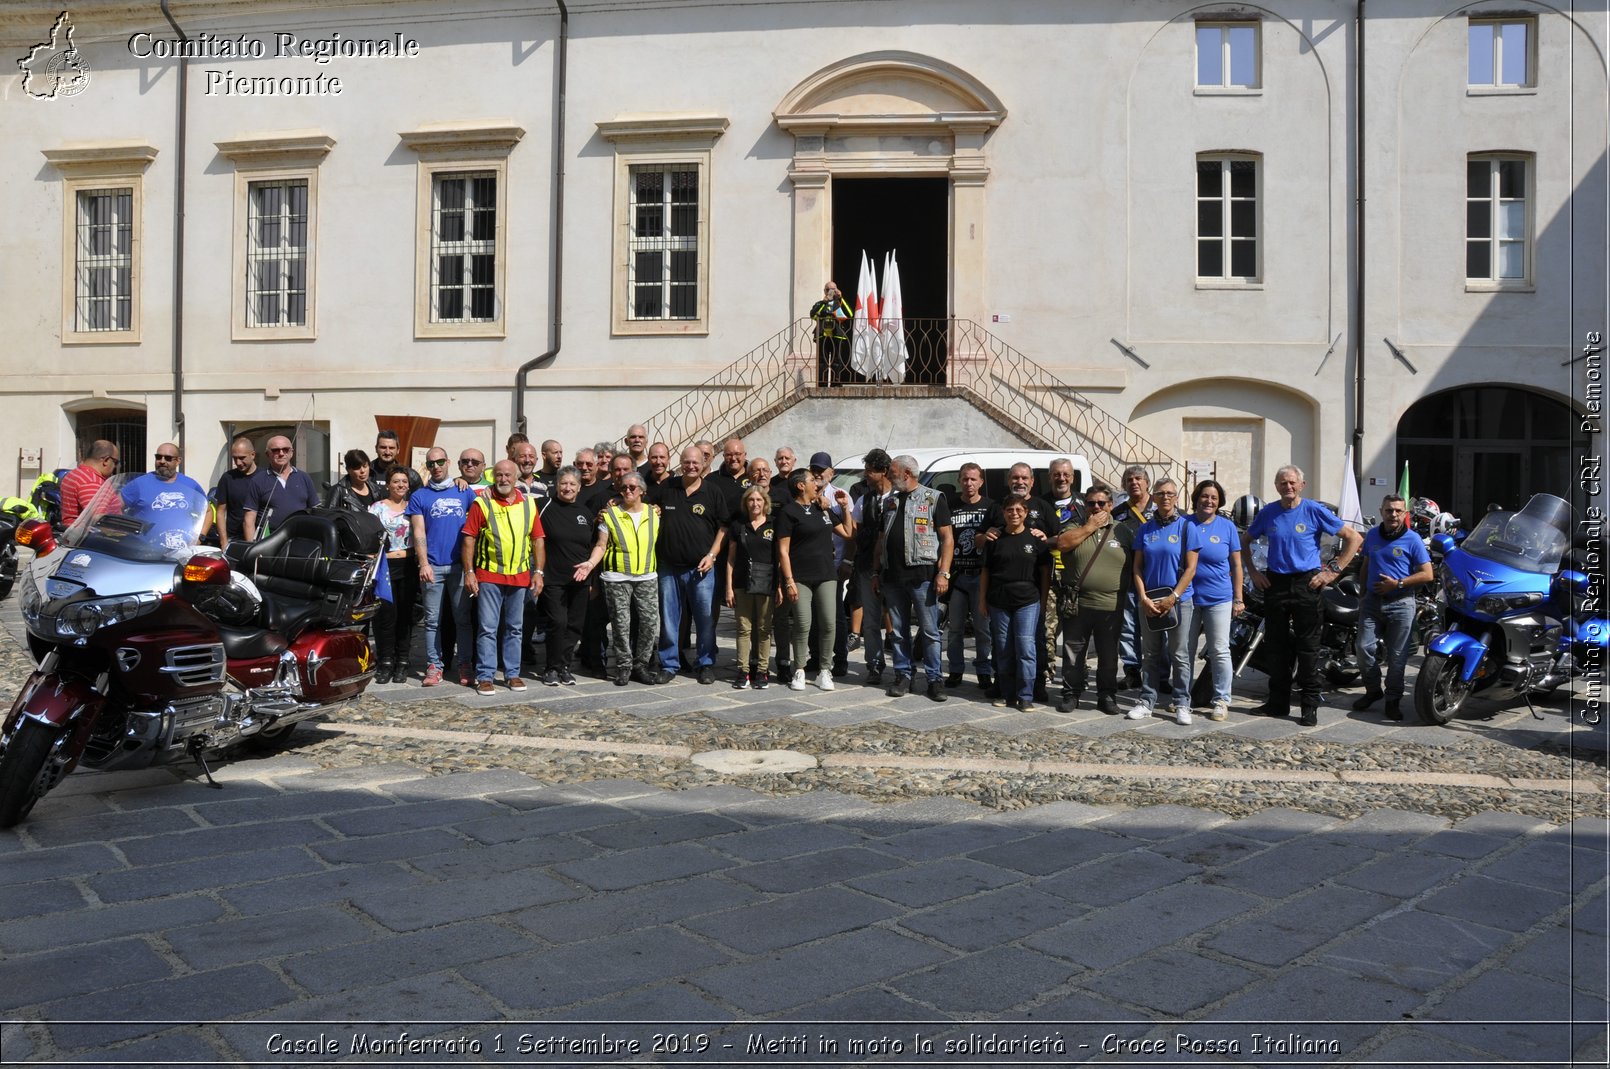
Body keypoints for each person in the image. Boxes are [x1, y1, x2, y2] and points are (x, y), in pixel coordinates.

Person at [1242, 464, 1364, 725]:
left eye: (1292, 483)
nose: (1288, 487)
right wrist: (1252, 571)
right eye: (1283, 483)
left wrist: (1332, 572)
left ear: (1301, 485)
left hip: (1306, 584)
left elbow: (1354, 538)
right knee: (1276, 647)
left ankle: (1309, 706)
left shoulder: (1314, 510)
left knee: (1308, 648)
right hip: (1275, 583)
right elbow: (1244, 541)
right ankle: (1277, 703)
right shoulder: (1268, 513)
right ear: (1276, 487)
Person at [461, 459, 546, 694]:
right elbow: (469, 539)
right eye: (499, 475)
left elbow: (537, 539)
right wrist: (469, 572)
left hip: (519, 577)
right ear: (493, 477)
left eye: (508, 475)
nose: (503, 479)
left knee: (515, 628)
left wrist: (538, 572)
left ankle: (512, 674)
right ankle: (485, 675)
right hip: (489, 576)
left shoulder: (529, 505)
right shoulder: (483, 503)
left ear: (516, 478)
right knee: (488, 628)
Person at [649, 445, 731, 684]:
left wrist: (713, 555)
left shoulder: (712, 492)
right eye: (687, 462)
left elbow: (724, 527)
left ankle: (705, 663)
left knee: (705, 618)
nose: (692, 466)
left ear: (704, 463)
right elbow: (644, 508)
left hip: (701, 568)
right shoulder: (667, 488)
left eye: (696, 462)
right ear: (680, 463)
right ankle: (669, 663)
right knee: (669, 617)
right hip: (669, 567)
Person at [1048, 483, 1133, 714]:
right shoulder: (1074, 526)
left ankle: (1106, 696)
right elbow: (1062, 544)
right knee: (1073, 651)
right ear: (1085, 506)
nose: (1096, 507)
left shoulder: (1122, 531)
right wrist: (1090, 526)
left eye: (1101, 503)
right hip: (1079, 602)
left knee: (1108, 654)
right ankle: (1070, 694)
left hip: (1111, 604)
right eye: (1091, 503)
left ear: (1111, 505)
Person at [876, 454, 954, 702]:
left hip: (923, 577)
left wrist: (943, 573)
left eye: (892, 472)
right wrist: (877, 571)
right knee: (898, 631)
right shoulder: (890, 502)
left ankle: (934, 679)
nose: (889, 476)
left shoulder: (933, 498)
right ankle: (903, 675)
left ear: (906, 473)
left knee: (930, 631)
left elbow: (947, 539)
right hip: (893, 576)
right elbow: (882, 539)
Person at [575, 472, 661, 686]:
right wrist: (591, 564)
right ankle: (624, 665)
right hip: (616, 578)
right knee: (621, 624)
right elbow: (601, 545)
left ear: (642, 490)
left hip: (647, 576)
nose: (628, 491)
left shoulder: (654, 513)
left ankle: (640, 664)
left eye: (632, 487)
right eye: (624, 488)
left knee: (649, 623)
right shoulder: (610, 515)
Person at [1353, 494, 1434, 721]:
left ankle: (1392, 700)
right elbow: (1366, 564)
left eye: (1398, 511)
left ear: (1405, 514)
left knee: (1397, 658)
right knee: (1362, 647)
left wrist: (1397, 584)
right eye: (1389, 510)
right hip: (1372, 603)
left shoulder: (1413, 539)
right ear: (1381, 511)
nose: (1394, 515)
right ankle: (1373, 690)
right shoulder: (1371, 536)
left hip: (1401, 604)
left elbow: (1427, 574)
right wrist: (1362, 594)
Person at [1128, 478, 1201, 724]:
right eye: (1160, 494)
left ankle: (1182, 702)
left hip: (1179, 600)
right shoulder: (1146, 529)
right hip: (1150, 600)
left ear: (1177, 497)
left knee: (1179, 653)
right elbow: (1137, 567)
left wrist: (1174, 597)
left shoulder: (1186, 527)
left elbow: (1191, 568)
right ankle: (1147, 700)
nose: (1166, 497)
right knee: (1150, 653)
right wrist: (1143, 597)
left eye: (1170, 493)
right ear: (1154, 497)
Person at [777, 467, 854, 691]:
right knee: (803, 623)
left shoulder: (823, 508)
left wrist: (844, 507)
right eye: (812, 480)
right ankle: (799, 669)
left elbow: (849, 534)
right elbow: (783, 550)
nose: (817, 483)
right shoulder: (789, 512)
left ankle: (824, 670)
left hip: (826, 575)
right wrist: (789, 581)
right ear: (801, 485)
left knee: (829, 623)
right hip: (800, 576)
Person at [409, 447, 477, 687]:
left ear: (448, 462)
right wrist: (423, 563)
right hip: (433, 567)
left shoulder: (463, 490)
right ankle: (434, 666)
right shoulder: (419, 496)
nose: (435, 467)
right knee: (432, 621)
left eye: (439, 462)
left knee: (463, 619)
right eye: (430, 464)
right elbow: (419, 531)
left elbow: (478, 520)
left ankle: (465, 664)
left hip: (460, 566)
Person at [980, 493, 1051, 710]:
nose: (1014, 513)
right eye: (1010, 510)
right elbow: (985, 572)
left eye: (1019, 510)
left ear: (1026, 513)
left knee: (1025, 647)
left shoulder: (1036, 539)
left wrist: (1043, 600)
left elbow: (1045, 572)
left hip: (1028, 601)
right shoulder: (994, 539)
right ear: (1003, 513)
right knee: (1003, 648)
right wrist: (982, 600)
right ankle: (1006, 693)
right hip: (999, 601)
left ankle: (1026, 695)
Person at [1183, 479, 1244, 722]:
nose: (1209, 501)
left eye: (1214, 498)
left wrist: (1238, 598)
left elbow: (1237, 565)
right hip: (1187, 597)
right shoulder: (1184, 523)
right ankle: (1183, 697)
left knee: (1219, 649)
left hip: (1218, 597)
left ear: (1219, 503)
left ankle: (1221, 700)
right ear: (1196, 498)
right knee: (1184, 650)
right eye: (1205, 496)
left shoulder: (1227, 527)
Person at [537, 467, 595, 687]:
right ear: (557, 485)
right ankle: (551, 667)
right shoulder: (543, 506)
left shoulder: (585, 512)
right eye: (564, 483)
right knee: (557, 622)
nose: (567, 488)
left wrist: (591, 575)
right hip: (553, 577)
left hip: (580, 579)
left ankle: (564, 666)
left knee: (574, 626)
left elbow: (593, 545)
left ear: (579, 488)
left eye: (572, 484)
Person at [944, 462, 994, 691]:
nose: (969, 483)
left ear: (981, 482)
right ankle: (955, 669)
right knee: (954, 628)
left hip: (981, 575)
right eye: (965, 479)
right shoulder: (950, 505)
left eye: (973, 479)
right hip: (957, 576)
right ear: (959, 480)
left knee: (983, 628)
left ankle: (984, 670)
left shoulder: (990, 507)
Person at [370, 467, 420, 684]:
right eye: (396, 481)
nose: (400, 485)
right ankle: (385, 661)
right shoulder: (377, 508)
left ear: (408, 485)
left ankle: (402, 661)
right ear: (388, 485)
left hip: (408, 564)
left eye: (404, 481)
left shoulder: (413, 508)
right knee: (385, 616)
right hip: (385, 567)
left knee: (405, 616)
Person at [726, 484, 779, 690]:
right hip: (741, 583)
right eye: (751, 500)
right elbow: (730, 559)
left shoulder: (774, 525)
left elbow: (779, 558)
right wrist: (728, 587)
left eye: (759, 500)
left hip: (767, 583)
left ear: (765, 503)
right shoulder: (738, 525)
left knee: (764, 629)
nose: (755, 503)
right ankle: (743, 671)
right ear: (745, 503)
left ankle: (763, 672)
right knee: (743, 628)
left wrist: (781, 585)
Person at [850, 448, 894, 684]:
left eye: (870, 470)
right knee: (870, 620)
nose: (865, 475)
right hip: (868, 565)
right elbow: (854, 531)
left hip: (895, 569)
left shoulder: (898, 497)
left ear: (883, 471)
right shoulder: (864, 498)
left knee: (896, 619)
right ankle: (874, 664)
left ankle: (902, 666)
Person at [121, 442, 208, 549]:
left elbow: (207, 511)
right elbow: (115, 505)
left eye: (168, 458)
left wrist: (200, 537)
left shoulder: (190, 484)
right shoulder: (139, 483)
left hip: (181, 550)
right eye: (158, 457)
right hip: (143, 550)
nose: (162, 461)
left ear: (178, 461)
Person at [1115, 465, 1156, 689]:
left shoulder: (1162, 509)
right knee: (1128, 628)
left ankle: (1159, 673)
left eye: (1139, 478)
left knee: (1158, 627)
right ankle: (1132, 671)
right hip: (1128, 578)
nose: (1134, 482)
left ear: (1147, 483)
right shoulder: (1119, 512)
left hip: (1157, 579)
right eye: (1129, 479)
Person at [243, 435, 319, 540]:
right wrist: (251, 549)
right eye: (275, 450)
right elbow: (249, 519)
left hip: (300, 538)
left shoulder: (304, 477)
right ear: (267, 454)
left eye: (285, 449)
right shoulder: (258, 480)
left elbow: (315, 511)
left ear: (291, 452)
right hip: (269, 541)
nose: (281, 453)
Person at [211, 436, 258, 550]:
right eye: (235, 458)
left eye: (242, 458)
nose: (238, 462)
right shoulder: (228, 478)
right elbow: (220, 512)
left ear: (253, 455)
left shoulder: (264, 477)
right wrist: (224, 542)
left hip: (260, 538)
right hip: (234, 538)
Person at [60, 439, 119, 527]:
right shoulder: (91, 481)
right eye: (116, 462)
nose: (116, 466)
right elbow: (99, 519)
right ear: (106, 460)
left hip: (73, 533)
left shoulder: (75, 473)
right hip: (89, 537)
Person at [811, 280, 853, 386]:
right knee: (822, 362)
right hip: (823, 336)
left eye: (833, 289)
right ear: (825, 291)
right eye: (829, 289)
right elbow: (813, 315)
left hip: (837, 335)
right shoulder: (820, 304)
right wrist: (824, 303)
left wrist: (841, 298)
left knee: (837, 360)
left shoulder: (839, 303)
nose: (831, 291)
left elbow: (849, 314)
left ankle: (836, 383)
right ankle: (822, 384)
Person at [374, 429, 423, 494]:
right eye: (383, 447)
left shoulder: (412, 476)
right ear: (376, 449)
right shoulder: (366, 473)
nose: (387, 452)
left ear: (398, 450)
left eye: (391, 448)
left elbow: (420, 501)